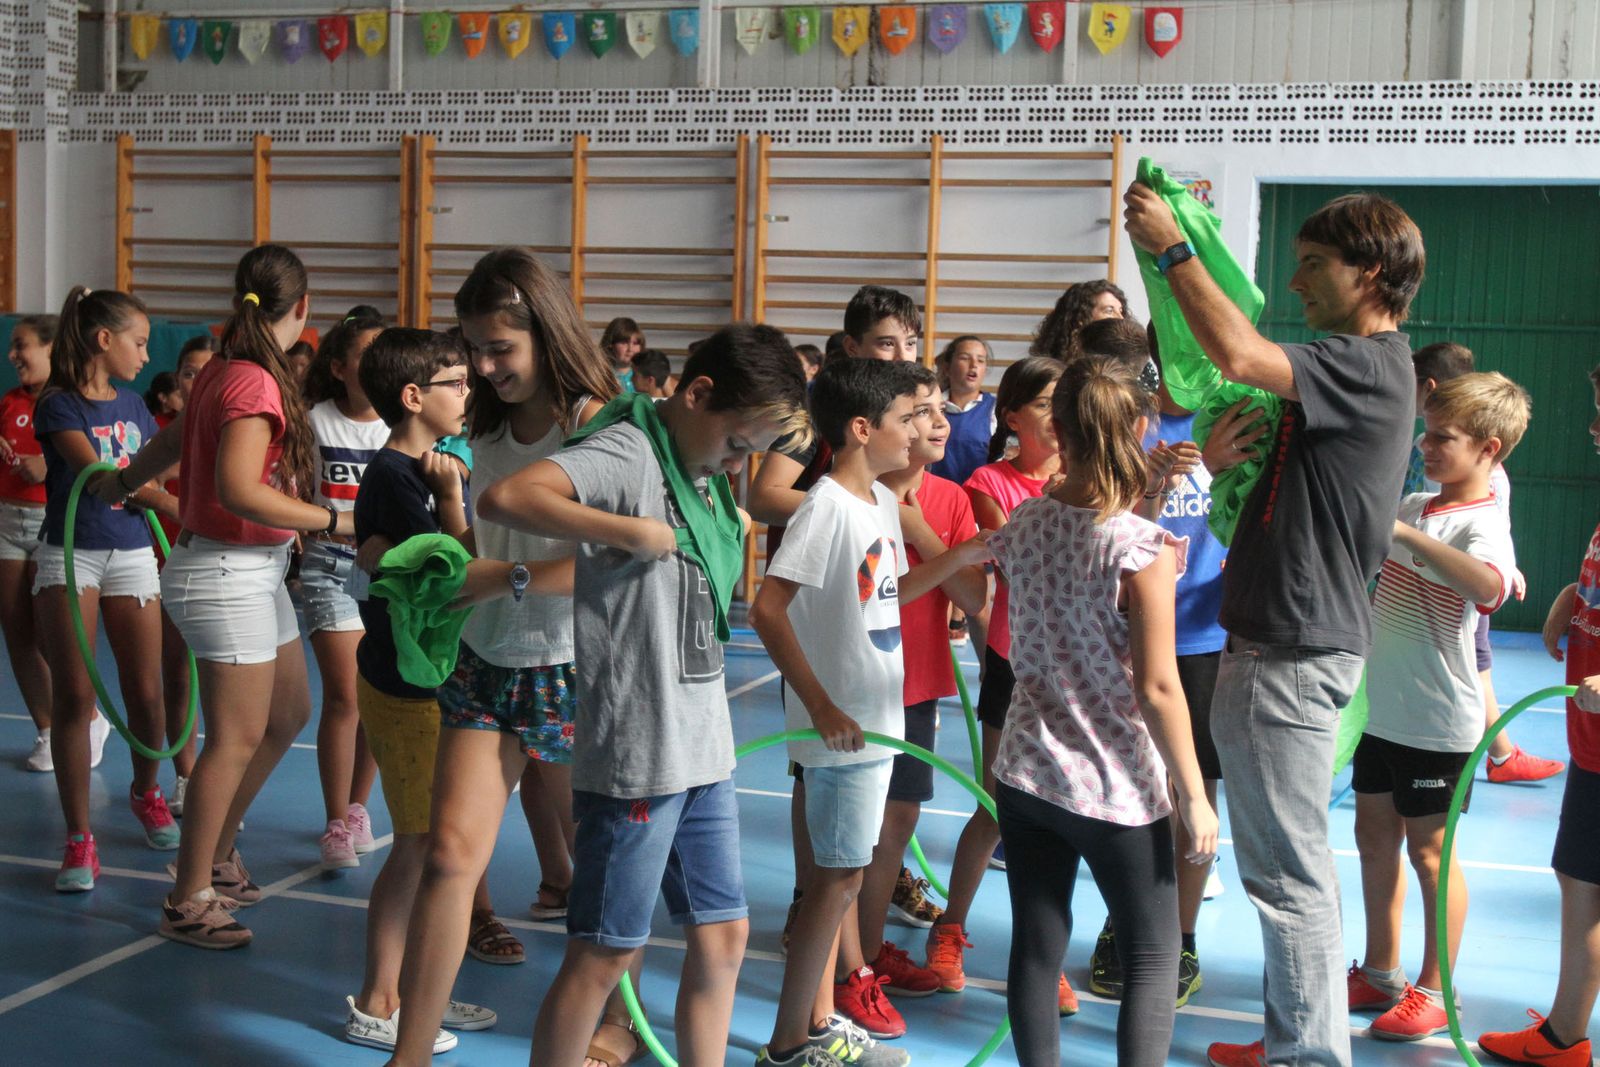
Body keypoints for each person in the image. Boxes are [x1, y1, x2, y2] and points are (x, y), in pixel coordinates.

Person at [1124, 185, 1425, 1067]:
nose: (1295, 282)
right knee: (1287, 873)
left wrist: (1179, 250)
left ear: (1369, 274)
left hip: (1290, 653)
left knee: (1290, 880)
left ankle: (1306, 1054)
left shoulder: (1367, 364)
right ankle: (1300, 1035)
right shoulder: (1350, 367)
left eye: (1312, 265)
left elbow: (1240, 351)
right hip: (1281, 645)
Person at [476, 323, 810, 1067]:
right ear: (697, 396)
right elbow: (508, 496)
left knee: (722, 936)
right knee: (601, 953)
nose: (738, 462)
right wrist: (626, 530)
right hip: (637, 753)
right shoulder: (632, 451)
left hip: (702, 750)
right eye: (736, 442)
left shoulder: (700, 473)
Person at [377, 248, 617, 1067]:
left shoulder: (596, 420)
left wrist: (501, 577)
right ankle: (409, 1052)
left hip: (574, 667)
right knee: (449, 854)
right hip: (486, 661)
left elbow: (623, 558)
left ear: (545, 336)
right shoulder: (479, 421)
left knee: (601, 861)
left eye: (499, 349)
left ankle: (618, 1021)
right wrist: (459, 559)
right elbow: (490, 547)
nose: (482, 366)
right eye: (473, 350)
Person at [92, 244, 356, 947]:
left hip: (253, 569)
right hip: (225, 574)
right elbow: (241, 487)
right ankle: (188, 895)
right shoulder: (251, 382)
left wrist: (121, 481)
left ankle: (216, 850)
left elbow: (177, 436)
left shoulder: (228, 371)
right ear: (302, 310)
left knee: (288, 712)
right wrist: (337, 519)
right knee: (234, 738)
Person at [752, 358, 991, 1067]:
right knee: (833, 885)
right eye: (908, 417)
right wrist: (820, 703)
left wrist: (960, 555)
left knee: (848, 878)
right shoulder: (827, 505)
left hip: (878, 719)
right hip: (845, 726)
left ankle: (818, 1022)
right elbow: (768, 608)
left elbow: (886, 594)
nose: (923, 426)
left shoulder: (882, 503)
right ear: (862, 430)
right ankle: (791, 1041)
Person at [991, 356, 1217, 1067]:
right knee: (1152, 952)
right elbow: (1157, 686)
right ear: (1143, 428)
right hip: (1114, 783)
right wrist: (1194, 791)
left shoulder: (1025, 519)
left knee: (1036, 943)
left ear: (1057, 431)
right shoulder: (1140, 548)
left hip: (1027, 773)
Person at [748, 286, 940, 982]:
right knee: (826, 805)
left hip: (874, 645)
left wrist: (894, 514)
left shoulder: (886, 471)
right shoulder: (820, 446)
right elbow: (762, 495)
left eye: (909, 342)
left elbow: (904, 546)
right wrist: (850, 507)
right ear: (853, 348)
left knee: (872, 821)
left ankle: (849, 935)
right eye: (887, 343)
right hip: (825, 637)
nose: (902, 354)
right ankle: (827, 948)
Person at [341, 327, 515, 1056]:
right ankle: (380, 999)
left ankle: (416, 991)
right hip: (405, 688)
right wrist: (455, 501)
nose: (469, 392)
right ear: (414, 397)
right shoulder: (400, 476)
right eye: (456, 382)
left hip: (424, 682)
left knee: (430, 844)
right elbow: (453, 574)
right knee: (414, 844)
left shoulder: (431, 466)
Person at [1349, 371, 1528, 1041]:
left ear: (1489, 448)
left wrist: (1404, 533)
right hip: (1381, 710)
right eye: (1426, 430)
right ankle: (1380, 969)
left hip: (1437, 720)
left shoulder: (1482, 523)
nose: (1426, 443)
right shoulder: (1418, 500)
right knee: (1373, 840)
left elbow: (1487, 584)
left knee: (1431, 854)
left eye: (1442, 436)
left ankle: (1434, 987)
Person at [926, 357, 1080, 1017]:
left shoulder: (1087, 480)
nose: (1056, 414)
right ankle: (949, 927)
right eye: (1044, 402)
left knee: (1062, 816)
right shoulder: (987, 481)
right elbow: (1024, 554)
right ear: (1012, 416)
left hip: (1079, 667)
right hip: (1016, 661)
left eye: (1064, 402)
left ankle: (1047, 957)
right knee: (997, 805)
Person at [1086, 323, 1227, 1008]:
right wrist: (1157, 482)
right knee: (1137, 791)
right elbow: (1114, 522)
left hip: (1206, 637)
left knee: (1195, 788)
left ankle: (1183, 935)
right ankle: (1129, 920)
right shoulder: (1129, 423)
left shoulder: (1233, 420)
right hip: (1132, 633)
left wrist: (1221, 466)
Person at [34, 288, 179, 892]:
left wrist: (158, 485)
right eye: (139, 342)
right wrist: (171, 502)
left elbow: (155, 464)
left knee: (146, 694)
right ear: (103, 340)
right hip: (72, 557)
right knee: (75, 696)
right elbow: (101, 480)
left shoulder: (137, 405)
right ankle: (78, 837)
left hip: (131, 554)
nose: (146, 355)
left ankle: (147, 792)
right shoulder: (59, 406)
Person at [1477, 364, 1600, 1066]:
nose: (1592, 426)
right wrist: (1569, 595)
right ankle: (1564, 1033)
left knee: (1585, 879)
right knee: (1579, 877)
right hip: (1591, 739)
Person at [1407, 342, 1563, 785]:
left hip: (1453, 593)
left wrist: (1503, 566)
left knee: (1474, 664)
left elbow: (1493, 529)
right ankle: (1501, 753)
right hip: (1415, 583)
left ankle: (1500, 754)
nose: (1428, 444)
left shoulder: (1485, 477)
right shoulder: (1429, 461)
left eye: (1441, 437)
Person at [301, 307, 389, 870]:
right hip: (329, 566)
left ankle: (359, 808)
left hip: (387, 573)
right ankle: (335, 821)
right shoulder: (315, 422)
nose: (378, 364)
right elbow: (297, 498)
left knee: (378, 700)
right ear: (339, 366)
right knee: (344, 695)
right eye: (366, 354)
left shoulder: (397, 426)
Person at [3, 315, 64, 773]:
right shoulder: (8, 402)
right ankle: (46, 730)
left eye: (21, 345)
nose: (12, 355)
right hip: (6, 522)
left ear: (50, 348)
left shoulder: (68, 403)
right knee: (17, 633)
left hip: (51, 523)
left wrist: (46, 463)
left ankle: (82, 719)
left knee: (52, 636)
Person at [158, 335, 214, 812]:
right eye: (190, 373)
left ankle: (216, 785)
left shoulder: (237, 434)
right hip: (163, 566)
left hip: (218, 571)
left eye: (208, 372)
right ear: (176, 381)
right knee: (176, 676)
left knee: (219, 685)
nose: (198, 382)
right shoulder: (158, 431)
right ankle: (184, 775)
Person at [929, 335, 995, 489]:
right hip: (935, 496)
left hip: (979, 501)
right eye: (965, 358)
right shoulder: (928, 408)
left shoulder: (995, 411)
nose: (974, 365)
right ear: (947, 366)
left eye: (980, 360)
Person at [1030, 280, 1129, 364]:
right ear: (1081, 318)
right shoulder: (1052, 371)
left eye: (1121, 311)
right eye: (1109, 311)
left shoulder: (1129, 363)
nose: (1121, 318)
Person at [599, 317, 644, 393]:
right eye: (624, 343)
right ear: (610, 344)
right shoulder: (601, 375)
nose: (630, 349)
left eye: (635, 343)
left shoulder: (647, 375)